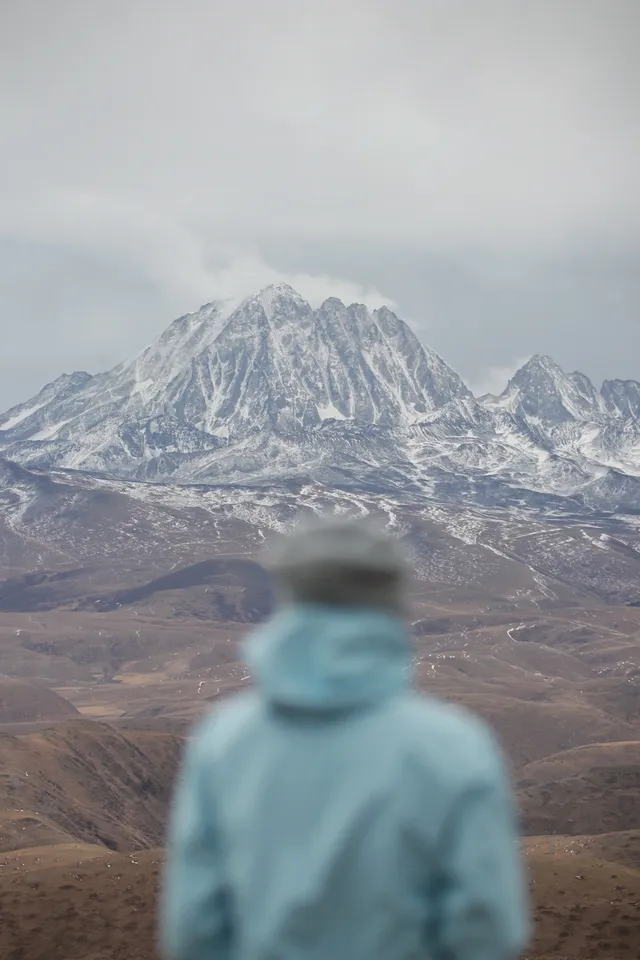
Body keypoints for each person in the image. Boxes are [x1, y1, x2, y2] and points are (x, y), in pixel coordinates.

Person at [160, 515, 530, 960]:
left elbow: (193, 926)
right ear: (394, 601)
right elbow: (485, 925)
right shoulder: (454, 745)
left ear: (288, 595)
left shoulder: (224, 739)